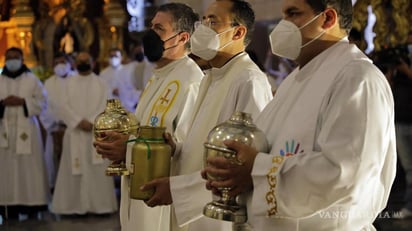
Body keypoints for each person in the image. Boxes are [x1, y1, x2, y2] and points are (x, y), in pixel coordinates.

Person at [202, 0, 396, 230]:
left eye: (293, 14)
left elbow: (345, 174)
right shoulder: (296, 78)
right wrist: (235, 174)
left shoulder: (357, 78)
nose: (283, 25)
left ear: (328, 18)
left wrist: (256, 169)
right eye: (284, 15)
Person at [140, 1, 273, 230]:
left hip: (220, 215)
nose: (202, 28)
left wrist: (178, 190)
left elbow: (243, 164)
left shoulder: (248, 81)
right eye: (203, 21)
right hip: (197, 210)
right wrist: (178, 149)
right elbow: (208, 146)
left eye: (213, 22)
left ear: (238, 32)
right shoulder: (212, 77)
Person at [94, 3, 203, 231]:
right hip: (140, 187)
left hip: (163, 201)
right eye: (151, 26)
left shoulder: (190, 80)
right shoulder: (158, 76)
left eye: (159, 29)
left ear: (182, 38)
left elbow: (186, 150)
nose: (150, 34)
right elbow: (144, 129)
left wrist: (129, 148)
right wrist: (121, 140)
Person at [51, 52, 117, 215]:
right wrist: (78, 121)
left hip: (96, 134)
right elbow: (63, 106)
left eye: (86, 61)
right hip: (74, 133)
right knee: (73, 170)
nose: (82, 63)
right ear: (75, 64)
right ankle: (72, 207)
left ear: (92, 63)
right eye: (79, 61)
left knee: (97, 170)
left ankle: (100, 206)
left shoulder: (102, 84)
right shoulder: (68, 83)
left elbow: (107, 105)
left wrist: (93, 121)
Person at [0, 47, 49, 219]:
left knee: (30, 167)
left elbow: (42, 102)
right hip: (4, 130)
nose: (12, 60)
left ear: (22, 60)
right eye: (9, 57)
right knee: (6, 167)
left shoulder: (32, 80)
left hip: (27, 128)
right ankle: (8, 205)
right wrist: (3, 103)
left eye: (16, 57)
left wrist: (23, 101)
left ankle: (32, 205)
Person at [40, 52, 75, 192]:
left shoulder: (76, 79)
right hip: (55, 128)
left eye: (62, 62)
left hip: (74, 128)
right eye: (56, 63)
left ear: (69, 63)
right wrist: (57, 121)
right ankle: (56, 188)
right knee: (54, 160)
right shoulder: (48, 83)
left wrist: (71, 120)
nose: (59, 66)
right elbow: (45, 106)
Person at [100, 47, 140, 112]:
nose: (113, 58)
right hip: (110, 106)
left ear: (121, 57)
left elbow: (133, 87)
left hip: (127, 106)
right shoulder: (103, 73)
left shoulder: (128, 71)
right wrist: (111, 91)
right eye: (111, 56)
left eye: (115, 56)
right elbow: (101, 90)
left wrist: (123, 91)